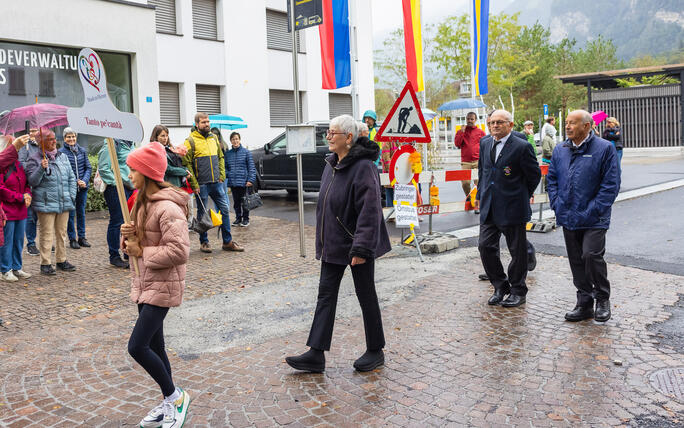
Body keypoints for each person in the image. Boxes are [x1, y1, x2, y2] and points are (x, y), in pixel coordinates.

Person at [285, 115, 391, 373]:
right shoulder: (332, 163)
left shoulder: (364, 167)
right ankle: (316, 353)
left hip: (356, 244)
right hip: (333, 242)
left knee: (366, 295)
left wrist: (362, 247)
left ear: (349, 138)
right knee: (325, 295)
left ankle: (375, 350)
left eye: (333, 133)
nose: (328, 137)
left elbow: (370, 210)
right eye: (328, 133)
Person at [121, 142, 191, 428]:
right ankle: (168, 400)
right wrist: (127, 237)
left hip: (162, 285)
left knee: (137, 346)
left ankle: (175, 397)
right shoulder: (141, 203)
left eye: (132, 169)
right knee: (156, 346)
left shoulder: (167, 208)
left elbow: (179, 251)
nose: (129, 174)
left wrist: (141, 252)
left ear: (146, 172)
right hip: (144, 283)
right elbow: (134, 246)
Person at [547, 110, 620, 323]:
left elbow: (611, 185)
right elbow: (551, 179)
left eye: (572, 123)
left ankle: (602, 299)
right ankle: (585, 302)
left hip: (594, 217)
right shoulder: (561, 149)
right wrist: (556, 203)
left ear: (587, 126)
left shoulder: (605, 148)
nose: (567, 127)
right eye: (567, 123)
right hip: (568, 214)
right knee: (576, 260)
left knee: (590, 255)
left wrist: (594, 209)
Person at [474, 110, 541, 307]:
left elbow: (533, 176)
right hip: (489, 207)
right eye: (492, 122)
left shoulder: (522, 146)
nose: (495, 126)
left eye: (500, 122)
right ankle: (500, 286)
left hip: (513, 207)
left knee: (517, 252)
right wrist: (480, 195)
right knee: (485, 246)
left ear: (510, 125)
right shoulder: (485, 143)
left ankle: (518, 290)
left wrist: (520, 194)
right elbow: (483, 171)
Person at [182, 113, 243, 253]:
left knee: (225, 210)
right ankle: (204, 242)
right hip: (201, 184)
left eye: (208, 121)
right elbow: (187, 164)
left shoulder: (214, 138)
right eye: (203, 122)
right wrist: (194, 184)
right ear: (196, 124)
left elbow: (221, 157)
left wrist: (221, 175)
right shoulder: (190, 141)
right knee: (202, 214)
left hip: (216, 182)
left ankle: (227, 242)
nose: (207, 124)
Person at [24, 130, 77, 275]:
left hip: (64, 201)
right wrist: (41, 168)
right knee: (46, 233)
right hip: (46, 202)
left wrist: (71, 195)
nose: (54, 141)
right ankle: (45, 263)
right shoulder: (34, 159)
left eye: (54, 138)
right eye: (50, 139)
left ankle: (61, 260)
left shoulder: (63, 156)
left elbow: (72, 177)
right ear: (41, 142)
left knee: (62, 233)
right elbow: (32, 181)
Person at [98, 139, 135, 268]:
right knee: (117, 221)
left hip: (130, 187)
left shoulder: (131, 143)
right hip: (117, 188)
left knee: (129, 221)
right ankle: (114, 256)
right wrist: (116, 184)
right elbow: (103, 167)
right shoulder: (112, 142)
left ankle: (127, 251)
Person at [0, 135, 32, 281]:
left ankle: (16, 267)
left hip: (21, 210)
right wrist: (20, 197)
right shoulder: (2, 166)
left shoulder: (19, 165)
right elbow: (1, 189)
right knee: (7, 241)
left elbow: (26, 184)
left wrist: (28, 194)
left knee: (18, 240)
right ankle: (5, 269)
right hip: (7, 210)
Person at [59, 128, 91, 249]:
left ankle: (82, 237)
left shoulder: (82, 151)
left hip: (83, 188)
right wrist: (74, 181)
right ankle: (72, 239)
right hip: (69, 189)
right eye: (68, 137)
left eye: (73, 136)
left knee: (81, 213)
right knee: (71, 215)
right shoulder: (61, 152)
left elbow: (88, 167)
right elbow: (62, 171)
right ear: (64, 138)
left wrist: (84, 180)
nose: (71, 139)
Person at [454, 112, 485, 208]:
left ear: (475, 120)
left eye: (472, 119)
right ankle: (468, 196)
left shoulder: (480, 132)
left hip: (477, 161)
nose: (470, 121)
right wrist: (462, 133)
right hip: (465, 162)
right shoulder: (461, 131)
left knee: (478, 183)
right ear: (466, 119)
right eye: (468, 119)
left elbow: (485, 145)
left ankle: (476, 203)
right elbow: (457, 144)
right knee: (465, 183)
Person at [224, 132, 256, 227]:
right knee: (236, 202)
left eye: (237, 139)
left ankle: (246, 219)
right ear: (231, 141)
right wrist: (228, 174)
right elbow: (225, 167)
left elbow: (251, 167)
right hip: (233, 182)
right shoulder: (228, 154)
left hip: (244, 182)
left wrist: (250, 179)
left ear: (239, 140)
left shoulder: (246, 152)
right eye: (233, 139)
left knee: (245, 201)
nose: (235, 141)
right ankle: (238, 218)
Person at [18, 128, 40, 256]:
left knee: (43, 216)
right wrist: (37, 167)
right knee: (31, 217)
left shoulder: (42, 145)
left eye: (36, 130)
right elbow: (21, 164)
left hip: (42, 186)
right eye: (31, 130)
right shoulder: (24, 146)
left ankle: (44, 242)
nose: (33, 133)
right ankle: (31, 244)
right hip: (30, 185)